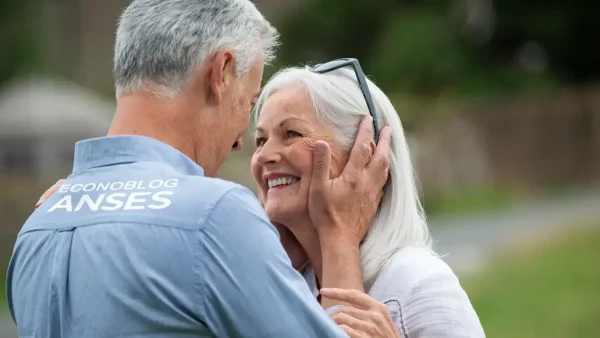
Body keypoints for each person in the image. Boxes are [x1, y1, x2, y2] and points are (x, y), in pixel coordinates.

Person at [6, 1, 394, 337]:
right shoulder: (214, 215)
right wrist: (339, 234)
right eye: (248, 102)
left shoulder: (37, 227)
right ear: (221, 73)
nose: (241, 140)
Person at [249, 61, 487, 337]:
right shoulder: (289, 287)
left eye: (292, 134)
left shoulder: (417, 283)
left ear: (364, 156)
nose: (264, 156)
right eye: (261, 140)